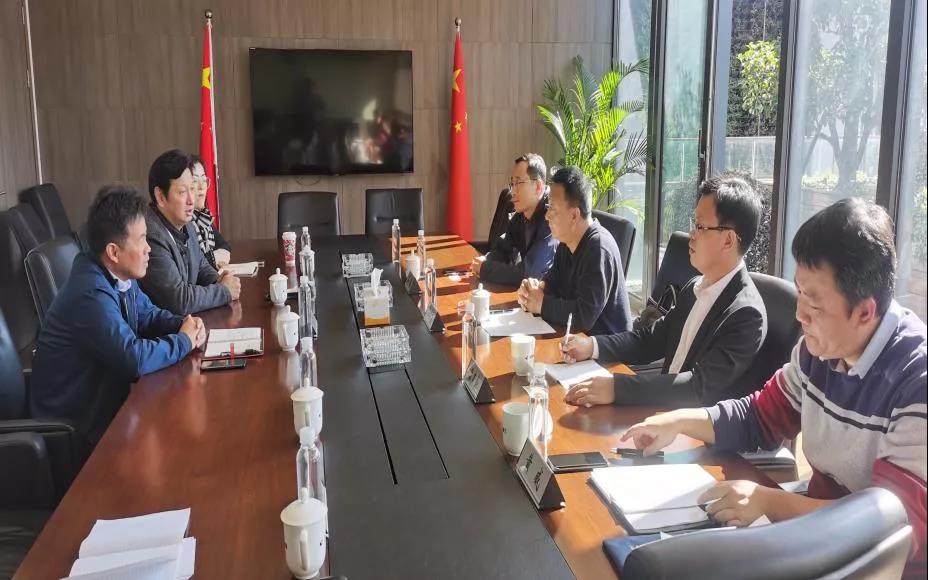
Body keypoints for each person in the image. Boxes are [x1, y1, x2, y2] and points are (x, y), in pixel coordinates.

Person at [620, 198, 926, 575]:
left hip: (877, 564)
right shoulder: (819, 351)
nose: (800, 314)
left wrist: (768, 502)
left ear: (865, 312)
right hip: (814, 538)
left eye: (814, 304)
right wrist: (679, 421)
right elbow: (757, 417)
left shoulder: (917, 379)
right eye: (800, 293)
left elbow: (891, 522)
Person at [562, 174, 767, 407]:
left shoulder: (746, 315)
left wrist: (616, 388)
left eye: (700, 226)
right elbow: (651, 340)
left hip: (689, 423)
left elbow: (697, 388)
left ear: (728, 240)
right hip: (660, 410)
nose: (692, 234)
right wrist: (592, 346)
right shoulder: (695, 286)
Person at [30, 186, 206, 448]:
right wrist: (183, 341)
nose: (148, 249)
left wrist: (184, 324)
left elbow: (148, 316)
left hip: (107, 408)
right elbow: (133, 359)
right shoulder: (90, 294)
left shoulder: (117, 275)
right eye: (142, 240)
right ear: (114, 252)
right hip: (77, 428)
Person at [517, 166, 631, 335]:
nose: (546, 216)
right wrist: (535, 290)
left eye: (552, 209)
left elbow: (585, 316)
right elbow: (553, 280)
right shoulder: (566, 241)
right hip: (574, 339)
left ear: (574, 216)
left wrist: (542, 304)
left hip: (605, 346)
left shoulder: (598, 248)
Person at [139, 149, 240, 315]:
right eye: (182, 192)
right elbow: (179, 300)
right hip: (163, 328)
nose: (191, 200)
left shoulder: (186, 224)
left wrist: (219, 279)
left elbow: (201, 267)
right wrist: (223, 291)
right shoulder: (150, 235)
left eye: (192, 189)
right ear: (160, 196)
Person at [471, 153, 558, 286]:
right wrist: (486, 260)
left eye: (518, 183)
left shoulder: (552, 216)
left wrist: (485, 269)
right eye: (512, 184)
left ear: (538, 187)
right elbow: (503, 250)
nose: (512, 191)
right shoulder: (521, 214)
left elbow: (529, 274)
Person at [189, 154, 231, 270]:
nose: (201, 187)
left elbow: (224, 245)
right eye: (195, 181)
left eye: (204, 180)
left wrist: (212, 260)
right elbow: (193, 265)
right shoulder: (185, 221)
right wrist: (213, 260)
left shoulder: (202, 218)